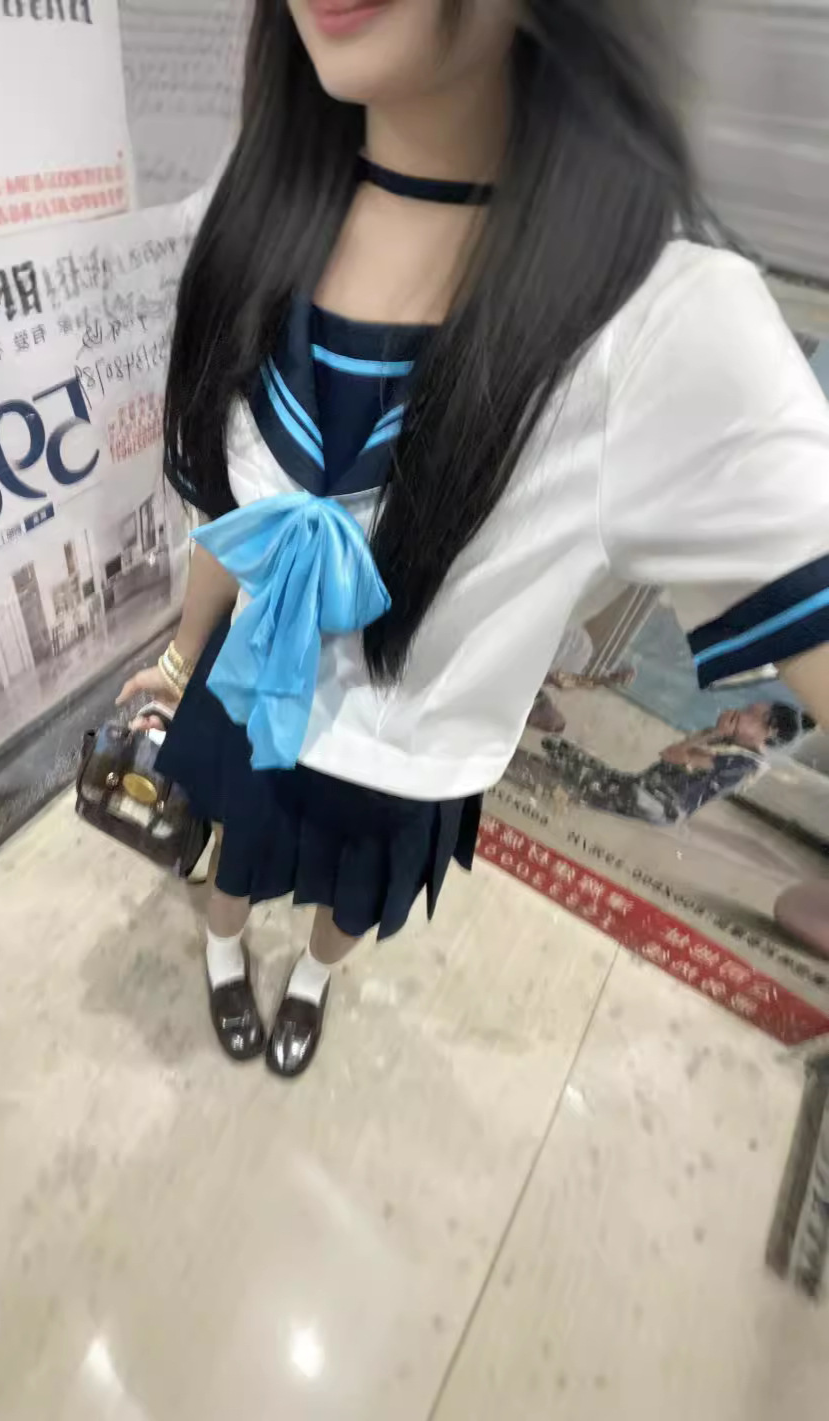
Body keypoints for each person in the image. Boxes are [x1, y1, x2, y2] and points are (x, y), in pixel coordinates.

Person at [118, 0, 829, 1079]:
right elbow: (229, 515)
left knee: (351, 902)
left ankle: (310, 981)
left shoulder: (657, 327)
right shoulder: (247, 214)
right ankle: (223, 954)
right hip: (247, 693)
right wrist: (179, 659)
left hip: (407, 755)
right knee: (235, 863)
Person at [542, 702, 813, 824]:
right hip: (644, 786)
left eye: (750, 714)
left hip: (656, 802)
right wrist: (714, 733)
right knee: (565, 753)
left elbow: (671, 754)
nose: (740, 714)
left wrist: (715, 733)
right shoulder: (733, 745)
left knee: (571, 781)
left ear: (769, 731)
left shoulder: (740, 764)